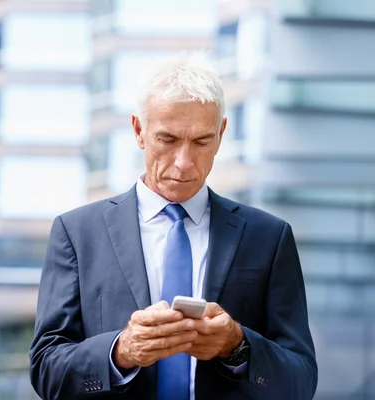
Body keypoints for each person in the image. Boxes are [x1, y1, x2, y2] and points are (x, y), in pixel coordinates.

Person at [29, 54, 317, 400]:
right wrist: (121, 351)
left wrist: (237, 345)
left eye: (201, 141)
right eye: (167, 140)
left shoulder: (268, 238)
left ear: (221, 134)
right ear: (139, 130)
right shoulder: (77, 234)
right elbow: (46, 370)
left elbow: (301, 381)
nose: (184, 163)